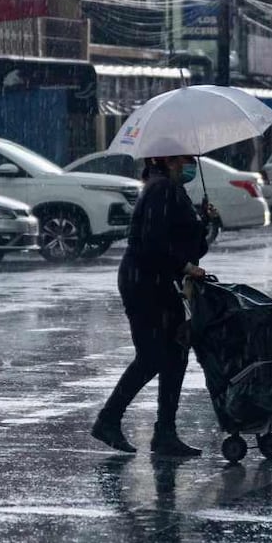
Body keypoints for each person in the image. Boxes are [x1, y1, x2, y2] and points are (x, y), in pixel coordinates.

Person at [91, 155, 211, 456]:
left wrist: (204, 222)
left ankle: (165, 433)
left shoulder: (172, 189)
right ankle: (109, 419)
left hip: (158, 281)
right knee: (152, 355)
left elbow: (193, 247)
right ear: (169, 160)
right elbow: (152, 242)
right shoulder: (160, 189)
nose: (190, 165)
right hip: (144, 283)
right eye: (185, 159)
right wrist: (183, 266)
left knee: (175, 353)